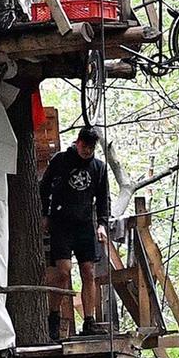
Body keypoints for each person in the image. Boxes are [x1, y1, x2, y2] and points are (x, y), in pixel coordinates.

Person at [39, 127, 114, 336]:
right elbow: (44, 188)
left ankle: (89, 320)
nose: (86, 151)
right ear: (77, 142)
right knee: (63, 272)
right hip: (61, 223)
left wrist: (101, 224)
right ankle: (53, 316)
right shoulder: (60, 160)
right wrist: (45, 215)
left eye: (91, 148)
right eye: (84, 146)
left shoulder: (99, 168)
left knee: (88, 272)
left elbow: (103, 198)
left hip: (84, 225)